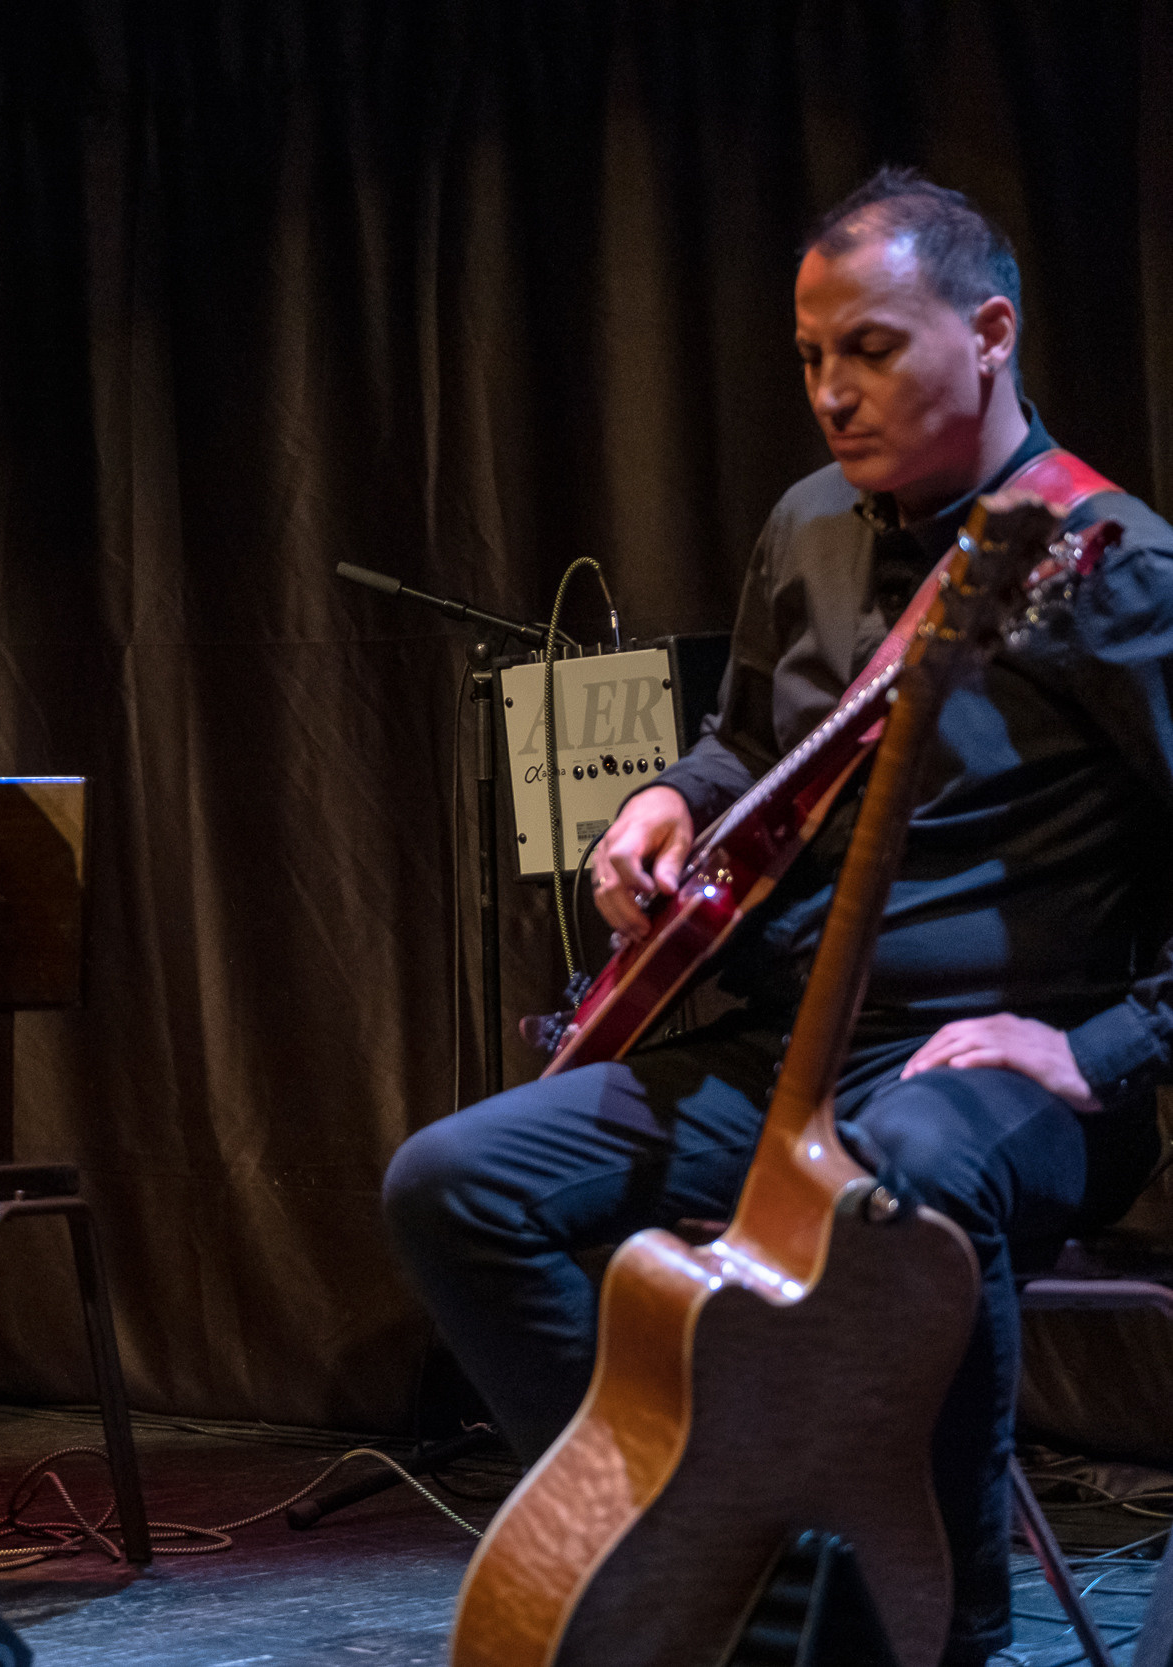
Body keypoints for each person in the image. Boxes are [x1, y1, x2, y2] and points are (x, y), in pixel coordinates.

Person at [383, 168, 1173, 1665]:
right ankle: (706, 1535)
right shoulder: (807, 521)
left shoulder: (1116, 567)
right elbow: (750, 740)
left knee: (905, 1182)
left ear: (990, 330)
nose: (829, 391)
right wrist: (662, 802)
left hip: (992, 1081)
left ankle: (942, 1632)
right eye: (810, 357)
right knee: (457, 1179)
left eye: (869, 348)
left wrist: (1101, 1044)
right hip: (784, 1050)